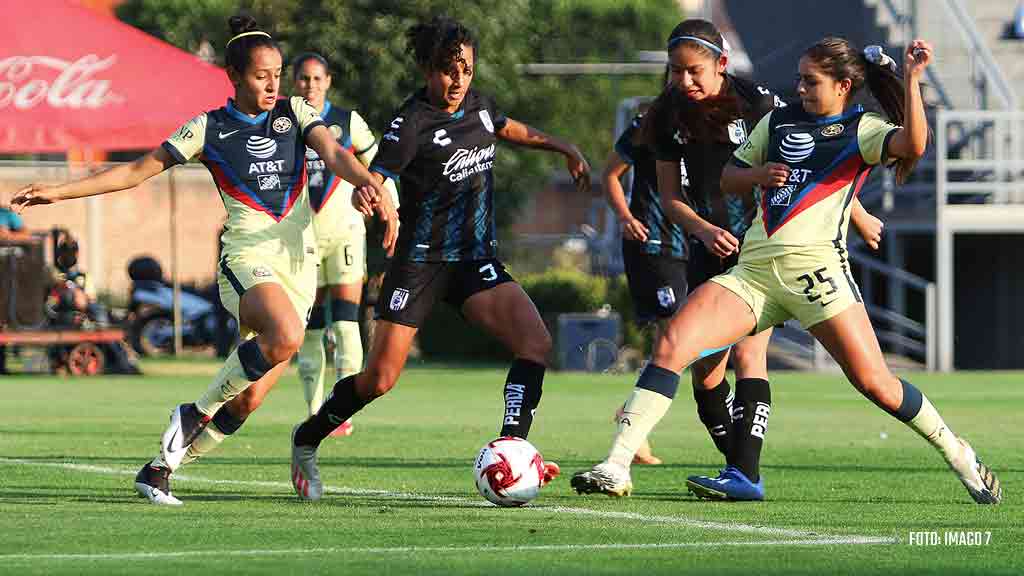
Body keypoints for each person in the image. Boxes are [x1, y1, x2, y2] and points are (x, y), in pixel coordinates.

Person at [577, 35, 1002, 505]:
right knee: (675, 343)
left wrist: (913, 81)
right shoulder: (777, 121)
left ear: (842, 86)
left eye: (810, 81)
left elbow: (913, 143)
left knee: (877, 385)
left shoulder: (862, 128)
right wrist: (758, 176)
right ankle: (615, 465)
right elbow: (729, 178)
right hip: (753, 273)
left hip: (817, 276)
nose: (799, 88)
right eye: (799, 78)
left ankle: (958, 453)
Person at [11, 14, 396, 506]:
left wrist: (366, 179)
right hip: (246, 259)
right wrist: (58, 192)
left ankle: (161, 468)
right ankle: (193, 412)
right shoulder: (207, 128)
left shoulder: (297, 112)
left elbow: (335, 153)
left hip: (299, 268)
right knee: (287, 336)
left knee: (250, 398)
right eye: (261, 76)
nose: (273, 84)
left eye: (277, 74)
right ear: (234, 77)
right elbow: (134, 171)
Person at [577, 20, 884, 499]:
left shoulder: (756, 102)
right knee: (706, 372)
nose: (685, 82)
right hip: (708, 246)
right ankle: (735, 467)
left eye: (694, 71)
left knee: (749, 355)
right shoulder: (663, 116)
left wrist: (858, 215)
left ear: (721, 64)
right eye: (676, 72)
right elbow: (670, 197)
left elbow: (817, 160)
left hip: (763, 248)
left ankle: (744, 472)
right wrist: (701, 228)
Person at [288, 16, 590, 501]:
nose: (457, 81)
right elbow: (378, 175)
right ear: (429, 69)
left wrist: (564, 147)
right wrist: (374, 199)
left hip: (473, 260)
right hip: (421, 263)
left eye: (465, 70)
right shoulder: (411, 123)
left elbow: (510, 128)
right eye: (448, 70)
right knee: (380, 379)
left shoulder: (479, 107)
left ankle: (512, 447)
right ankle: (306, 438)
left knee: (535, 344)